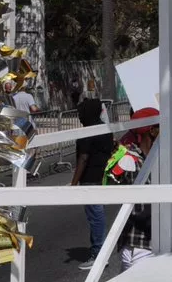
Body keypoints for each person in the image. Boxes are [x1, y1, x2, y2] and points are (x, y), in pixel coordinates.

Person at [104, 108, 159, 270]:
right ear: (153, 131)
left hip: (145, 243)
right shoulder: (131, 160)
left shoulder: (154, 158)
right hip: (141, 245)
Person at [71, 98, 114, 270]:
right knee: (97, 216)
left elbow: (83, 158)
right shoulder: (105, 129)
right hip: (101, 176)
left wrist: (74, 183)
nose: (79, 117)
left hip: (90, 178)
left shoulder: (89, 132)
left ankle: (99, 255)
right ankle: (98, 251)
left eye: (81, 113)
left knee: (95, 217)